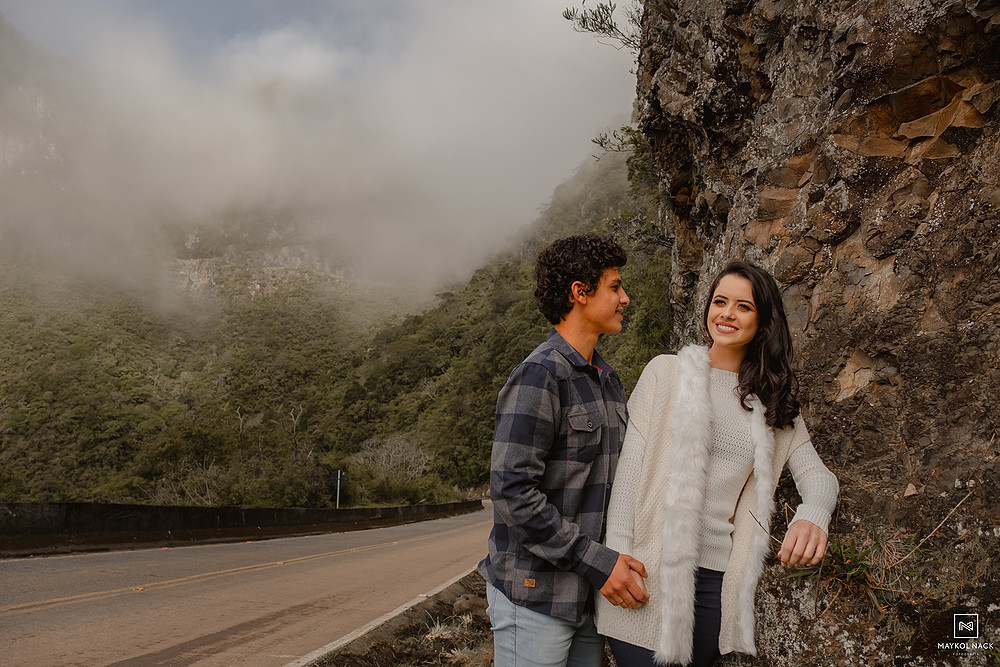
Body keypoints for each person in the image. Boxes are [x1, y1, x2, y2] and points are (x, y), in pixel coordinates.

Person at [595, 260, 839, 666]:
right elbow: (629, 476)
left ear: (763, 322)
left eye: (743, 306)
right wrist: (615, 561)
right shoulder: (665, 373)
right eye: (720, 301)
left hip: (714, 584)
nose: (726, 313)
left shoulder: (772, 405)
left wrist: (813, 515)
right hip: (644, 574)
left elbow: (818, 476)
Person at [478, 234, 650, 667]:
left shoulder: (606, 380)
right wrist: (598, 562)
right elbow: (513, 492)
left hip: (588, 599)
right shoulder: (539, 376)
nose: (625, 298)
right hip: (534, 597)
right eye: (614, 287)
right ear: (580, 292)